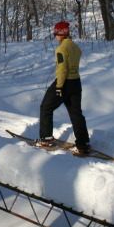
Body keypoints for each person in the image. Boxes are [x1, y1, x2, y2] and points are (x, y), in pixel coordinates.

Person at [37, 21, 91, 154]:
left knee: (46, 107)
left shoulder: (61, 49)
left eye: (56, 33)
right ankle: (83, 144)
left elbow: (62, 69)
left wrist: (59, 87)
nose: (55, 36)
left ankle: (46, 139)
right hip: (76, 83)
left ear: (61, 34)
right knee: (76, 113)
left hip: (64, 82)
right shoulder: (75, 47)